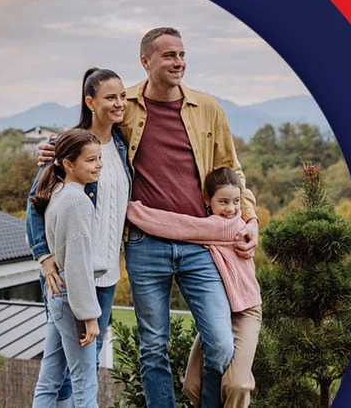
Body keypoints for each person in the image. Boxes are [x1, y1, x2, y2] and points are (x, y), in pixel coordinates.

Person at [38, 27, 258, 408]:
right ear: (146, 61)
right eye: (169, 55)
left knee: (220, 341)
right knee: (153, 347)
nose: (179, 62)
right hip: (145, 243)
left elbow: (230, 170)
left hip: (199, 243)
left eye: (182, 54)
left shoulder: (208, 108)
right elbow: (92, 132)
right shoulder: (127, 105)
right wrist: (56, 149)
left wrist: (250, 219)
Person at [27, 68, 132, 406]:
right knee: (82, 373)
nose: (119, 103)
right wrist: (44, 258)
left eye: (122, 96)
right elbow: (36, 206)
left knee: (60, 369)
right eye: (110, 97)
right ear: (90, 102)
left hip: (104, 274)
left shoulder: (119, 145)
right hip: (74, 278)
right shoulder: (70, 147)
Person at [126, 168, 262, 408]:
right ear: (206, 199)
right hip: (224, 306)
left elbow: (176, 226)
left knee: (236, 383)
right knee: (191, 386)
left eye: (237, 201)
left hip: (244, 309)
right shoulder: (211, 223)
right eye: (224, 202)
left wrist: (133, 210)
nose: (231, 209)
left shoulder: (230, 226)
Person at [30, 128, 107, 408]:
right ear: (68, 164)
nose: (98, 165)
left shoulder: (59, 193)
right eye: (90, 160)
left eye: (99, 158)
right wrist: (89, 316)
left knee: (49, 379)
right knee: (85, 381)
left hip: (59, 295)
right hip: (72, 296)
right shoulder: (77, 202)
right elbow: (78, 264)